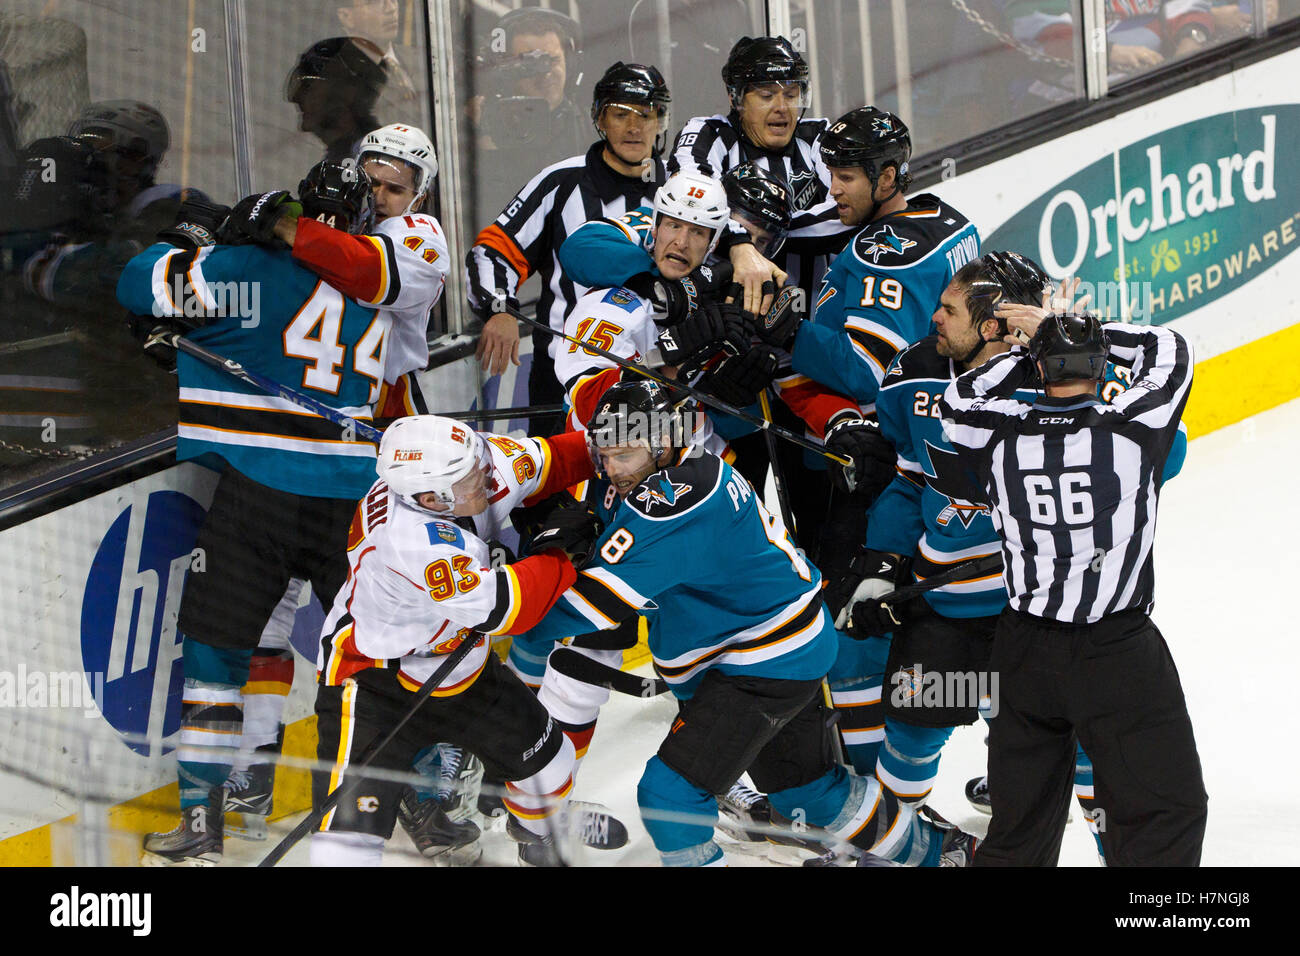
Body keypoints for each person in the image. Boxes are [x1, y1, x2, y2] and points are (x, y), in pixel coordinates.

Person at [520, 379, 979, 867]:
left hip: (759, 663)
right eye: (605, 456)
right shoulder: (671, 474)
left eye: (625, 455)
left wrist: (491, 606)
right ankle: (946, 852)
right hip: (782, 647)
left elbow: (588, 607)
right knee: (809, 794)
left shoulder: (678, 498)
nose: (613, 469)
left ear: (663, 443)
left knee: (670, 797)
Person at [115, 159, 390, 865]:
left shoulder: (246, 271)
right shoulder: (378, 289)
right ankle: (415, 809)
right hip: (353, 503)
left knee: (215, 653)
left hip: (261, 497)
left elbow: (138, 281)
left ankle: (200, 819)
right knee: (379, 657)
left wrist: (192, 237)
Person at [939, 305, 1207, 866]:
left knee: (1019, 827)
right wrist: (1063, 326)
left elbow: (958, 399)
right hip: (1116, 652)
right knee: (1162, 811)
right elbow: (1170, 348)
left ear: (1040, 369)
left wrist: (1027, 351)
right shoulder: (1135, 426)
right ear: (1101, 366)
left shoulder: (998, 433)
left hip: (1024, 653)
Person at [310, 415, 627, 866]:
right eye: (472, 475)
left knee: (552, 763)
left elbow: (559, 457)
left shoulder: (470, 467)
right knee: (344, 844)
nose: (487, 474)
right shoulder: (409, 540)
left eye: (479, 461)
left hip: (460, 662)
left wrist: (636, 436)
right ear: (431, 499)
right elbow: (507, 610)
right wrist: (559, 551)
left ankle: (540, 831)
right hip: (373, 678)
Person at [466, 61, 671, 436]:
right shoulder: (561, 182)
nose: (634, 126)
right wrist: (500, 309)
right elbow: (495, 249)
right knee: (560, 473)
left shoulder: (680, 188)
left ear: (660, 121)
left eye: (645, 114)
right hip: (562, 374)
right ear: (600, 119)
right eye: (620, 114)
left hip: (659, 371)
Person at [270, 122, 448, 419]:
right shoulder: (347, 220)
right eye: (372, 183)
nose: (379, 197)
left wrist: (283, 226)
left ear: (419, 198)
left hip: (386, 401)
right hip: (318, 388)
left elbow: (365, 270)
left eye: (395, 189)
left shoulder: (424, 237)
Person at [286, 37, 388, 162]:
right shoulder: (348, 158)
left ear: (349, 91)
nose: (298, 98)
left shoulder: (377, 162)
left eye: (308, 86)